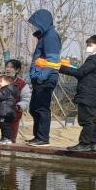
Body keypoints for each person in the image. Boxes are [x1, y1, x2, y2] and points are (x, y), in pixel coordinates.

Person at [52, 34, 96, 152]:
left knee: (87, 119)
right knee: (95, 119)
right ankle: (93, 144)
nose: (88, 48)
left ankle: (84, 143)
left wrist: (61, 68)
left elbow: (81, 72)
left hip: (88, 94)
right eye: (87, 45)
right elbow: (85, 72)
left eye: (90, 45)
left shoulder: (94, 59)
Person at [27, 9, 62, 146]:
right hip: (39, 77)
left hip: (46, 78)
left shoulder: (51, 36)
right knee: (34, 108)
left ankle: (43, 138)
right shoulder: (44, 35)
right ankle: (37, 136)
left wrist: (41, 77)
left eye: (36, 24)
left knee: (42, 108)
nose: (34, 27)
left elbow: (52, 59)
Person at [0, 75, 20, 144]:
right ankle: (4, 138)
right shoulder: (10, 90)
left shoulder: (7, 89)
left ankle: (7, 138)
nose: (0, 83)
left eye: (1, 82)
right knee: (3, 125)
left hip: (6, 112)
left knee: (4, 125)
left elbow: (0, 95)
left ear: (6, 82)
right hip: (7, 112)